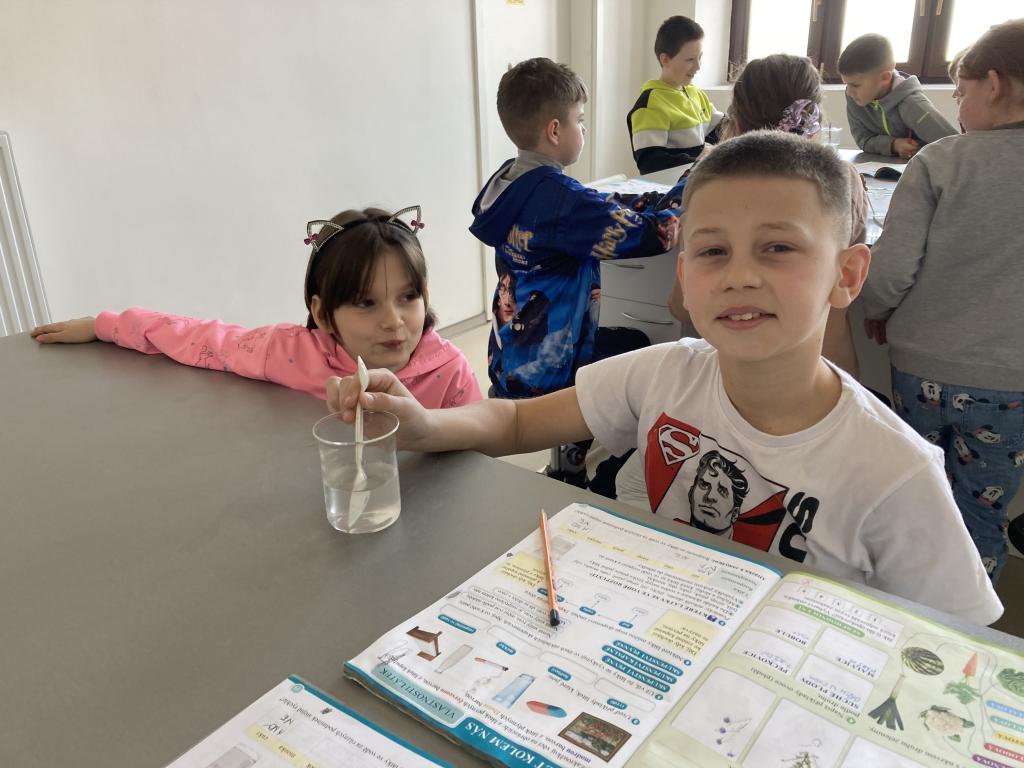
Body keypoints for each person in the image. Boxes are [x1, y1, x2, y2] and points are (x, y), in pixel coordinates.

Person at [330, 132, 1002, 626]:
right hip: (634, 635)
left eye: (778, 247)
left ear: (846, 275)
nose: (740, 275)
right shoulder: (666, 373)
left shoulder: (897, 472)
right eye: (712, 251)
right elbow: (515, 419)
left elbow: (959, 644)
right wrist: (423, 423)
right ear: (684, 274)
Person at [860, 19, 1024, 585]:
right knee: (982, 514)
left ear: (994, 84)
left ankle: (905, 596)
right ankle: (967, 616)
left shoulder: (939, 161)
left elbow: (891, 270)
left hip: (921, 367)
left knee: (915, 497)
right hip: (1010, 384)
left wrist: (877, 310)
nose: (957, 105)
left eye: (960, 92)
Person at [31, 206, 481, 408]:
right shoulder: (288, 353)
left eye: (408, 297)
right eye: (366, 302)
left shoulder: (450, 374)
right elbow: (199, 339)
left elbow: (485, 468)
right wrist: (105, 326)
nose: (393, 321)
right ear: (322, 314)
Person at [471, 56, 679, 485]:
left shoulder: (507, 183)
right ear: (554, 130)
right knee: (620, 368)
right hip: (556, 359)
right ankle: (569, 474)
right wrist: (685, 190)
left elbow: (586, 207)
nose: (583, 129)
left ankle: (563, 462)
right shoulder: (562, 201)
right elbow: (654, 235)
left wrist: (622, 202)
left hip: (511, 349)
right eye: (580, 120)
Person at [627, 15, 724, 174]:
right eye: (690, 59)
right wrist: (699, 161)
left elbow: (723, 129)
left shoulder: (696, 94)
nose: (698, 66)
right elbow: (650, 162)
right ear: (665, 59)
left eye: (700, 57)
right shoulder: (651, 103)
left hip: (697, 180)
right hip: (672, 186)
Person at [839, 33, 957, 158]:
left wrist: (918, 149)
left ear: (885, 78)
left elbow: (954, 146)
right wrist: (893, 144)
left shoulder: (913, 104)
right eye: (846, 84)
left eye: (855, 85)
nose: (849, 92)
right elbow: (863, 139)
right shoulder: (855, 98)